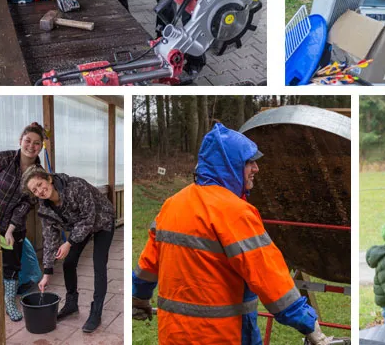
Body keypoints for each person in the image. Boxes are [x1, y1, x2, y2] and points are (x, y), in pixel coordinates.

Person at [131, 123, 333, 345]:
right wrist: (307, 323)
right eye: (249, 162)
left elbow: (147, 266)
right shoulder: (235, 212)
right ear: (229, 165)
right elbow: (269, 276)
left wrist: (139, 298)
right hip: (224, 335)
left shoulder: (172, 204)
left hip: (173, 336)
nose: (256, 168)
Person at [22, 165, 116, 334]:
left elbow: (89, 218)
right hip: (80, 228)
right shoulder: (45, 209)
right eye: (34, 190)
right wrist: (47, 273)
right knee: (69, 263)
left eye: (40, 184)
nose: (40, 191)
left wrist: (69, 242)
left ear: (49, 179)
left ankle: (96, 312)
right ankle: (71, 303)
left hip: (102, 221)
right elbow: (50, 239)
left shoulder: (75, 186)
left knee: (99, 265)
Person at [0, 122, 45, 321]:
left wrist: (10, 229)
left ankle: (9, 302)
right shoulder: (4, 158)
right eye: (28, 141)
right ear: (20, 141)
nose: (31, 146)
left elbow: (26, 204)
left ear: (41, 146)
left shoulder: (39, 173)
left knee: (11, 266)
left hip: (14, 227)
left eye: (36, 143)